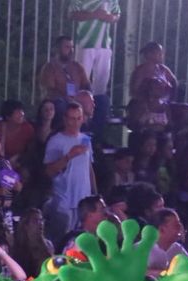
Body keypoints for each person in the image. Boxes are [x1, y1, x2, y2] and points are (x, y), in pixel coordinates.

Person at [44, 100, 95, 240]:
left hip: (84, 200)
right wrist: (69, 156)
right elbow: (49, 171)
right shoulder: (56, 141)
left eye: (79, 118)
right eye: (72, 119)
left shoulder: (86, 140)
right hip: (64, 201)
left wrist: (94, 193)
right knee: (62, 240)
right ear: (65, 119)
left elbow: (89, 167)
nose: (76, 122)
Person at [68, 0, 119, 128]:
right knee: (79, 82)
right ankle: (78, 115)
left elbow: (116, 15)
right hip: (85, 44)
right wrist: (94, 15)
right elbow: (72, 14)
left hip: (104, 45)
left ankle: (96, 118)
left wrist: (109, 18)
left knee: (101, 86)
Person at [127, 41, 176, 131]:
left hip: (164, 104)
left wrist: (164, 100)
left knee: (185, 110)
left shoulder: (163, 69)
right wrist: (150, 100)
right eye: (159, 52)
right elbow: (133, 91)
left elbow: (174, 84)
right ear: (149, 54)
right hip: (145, 104)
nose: (162, 55)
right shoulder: (141, 71)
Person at [38, 35, 89, 103]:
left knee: (102, 100)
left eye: (72, 47)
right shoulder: (49, 68)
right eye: (67, 47)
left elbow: (87, 86)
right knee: (59, 103)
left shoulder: (78, 66)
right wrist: (67, 98)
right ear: (58, 49)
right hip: (60, 102)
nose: (71, 51)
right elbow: (49, 92)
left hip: (78, 102)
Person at [144, 206, 188, 273]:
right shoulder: (142, 249)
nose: (180, 228)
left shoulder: (177, 248)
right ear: (162, 229)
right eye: (176, 225)